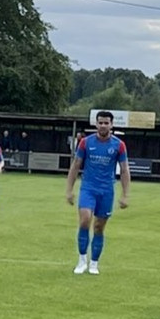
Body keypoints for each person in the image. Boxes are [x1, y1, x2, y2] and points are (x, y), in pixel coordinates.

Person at [65, 111, 130, 275]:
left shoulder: (119, 145)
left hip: (106, 190)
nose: (103, 125)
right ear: (96, 124)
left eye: (106, 123)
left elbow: (124, 169)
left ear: (111, 125)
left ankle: (94, 263)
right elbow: (76, 165)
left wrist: (125, 194)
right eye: (100, 122)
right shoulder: (86, 143)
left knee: (99, 227)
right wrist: (69, 190)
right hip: (88, 188)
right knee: (85, 220)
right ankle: (81, 260)